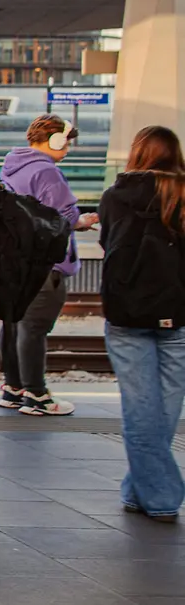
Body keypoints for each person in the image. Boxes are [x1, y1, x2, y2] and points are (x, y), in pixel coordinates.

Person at [99, 125, 185, 524]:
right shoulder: (183, 194)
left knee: (140, 408)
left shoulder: (116, 195)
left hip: (127, 313)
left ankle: (160, 497)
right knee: (165, 408)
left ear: (138, 154)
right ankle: (139, 490)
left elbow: (108, 244)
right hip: (179, 314)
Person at [0, 115, 91, 416]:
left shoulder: (12, 165)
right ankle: (36, 395)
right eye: (67, 142)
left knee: (12, 324)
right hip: (45, 262)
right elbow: (66, 215)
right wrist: (84, 221)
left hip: (16, 260)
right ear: (56, 140)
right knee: (34, 328)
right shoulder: (47, 172)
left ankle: (13, 388)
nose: (68, 148)